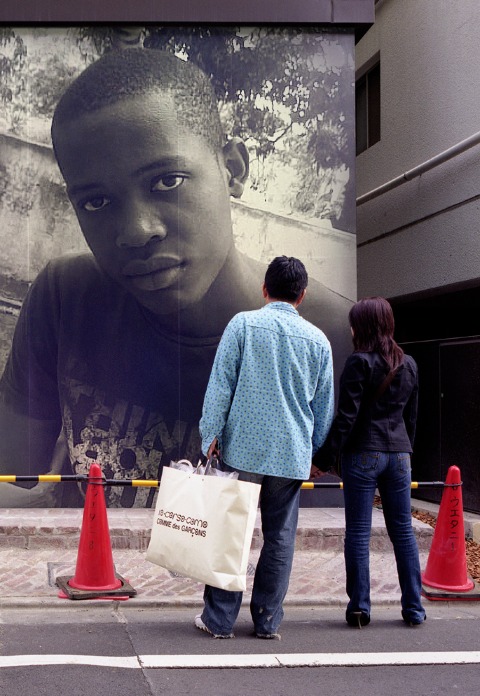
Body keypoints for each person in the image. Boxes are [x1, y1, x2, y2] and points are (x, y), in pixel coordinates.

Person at [0, 48, 351, 509]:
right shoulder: (66, 298)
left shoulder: (333, 341)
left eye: (167, 181)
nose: (136, 231)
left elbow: (334, 537)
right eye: (96, 202)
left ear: (233, 169)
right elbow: (11, 480)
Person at [195, 256, 334, 639]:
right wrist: (316, 453)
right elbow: (323, 408)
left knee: (231, 535)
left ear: (264, 288)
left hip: (242, 450)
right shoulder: (319, 341)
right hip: (290, 455)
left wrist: (210, 435)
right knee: (280, 539)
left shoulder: (242, 325)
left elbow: (220, 384)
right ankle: (267, 621)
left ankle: (219, 620)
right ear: (302, 295)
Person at [312, 296, 426, 627]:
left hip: (363, 453)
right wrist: (405, 453)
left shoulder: (358, 362)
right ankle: (414, 608)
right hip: (400, 454)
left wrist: (323, 460)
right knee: (403, 532)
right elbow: (411, 419)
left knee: (359, 533)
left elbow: (346, 419)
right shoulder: (409, 364)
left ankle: (360, 608)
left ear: (361, 327)